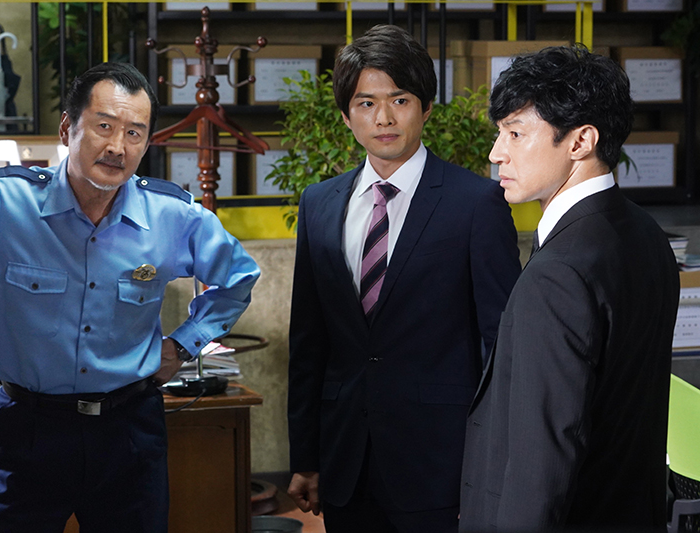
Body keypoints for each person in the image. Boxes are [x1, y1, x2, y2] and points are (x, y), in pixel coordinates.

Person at [0, 62, 260, 533]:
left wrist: (183, 345)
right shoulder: (3, 200)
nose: (118, 147)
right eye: (104, 126)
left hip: (128, 431)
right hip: (30, 430)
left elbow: (239, 276)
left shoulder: (173, 216)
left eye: (134, 133)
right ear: (67, 129)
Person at [286, 24, 521, 533]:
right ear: (346, 115)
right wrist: (305, 457)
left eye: (400, 100)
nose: (384, 118)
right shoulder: (319, 204)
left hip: (441, 465)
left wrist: (492, 467)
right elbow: (308, 342)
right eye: (366, 103)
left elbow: (500, 346)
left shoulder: (476, 204)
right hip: (346, 461)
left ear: (426, 107)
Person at [459, 45, 680, 532]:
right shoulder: (646, 233)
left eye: (516, 133)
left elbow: (541, 463)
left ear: (581, 140)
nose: (496, 153)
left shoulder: (558, 273)